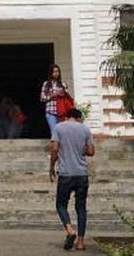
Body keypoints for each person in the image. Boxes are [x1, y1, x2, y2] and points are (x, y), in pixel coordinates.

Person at [49, 108, 94, 251]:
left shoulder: (59, 128)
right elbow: (91, 151)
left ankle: (69, 229)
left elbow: (55, 149)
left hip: (66, 174)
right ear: (79, 118)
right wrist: (80, 149)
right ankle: (80, 242)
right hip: (82, 174)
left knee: (61, 204)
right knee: (81, 207)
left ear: (66, 116)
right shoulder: (85, 129)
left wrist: (51, 167)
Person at [40, 65, 71, 136]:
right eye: (54, 71)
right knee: (54, 131)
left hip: (61, 112)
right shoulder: (46, 84)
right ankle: (55, 146)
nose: (56, 73)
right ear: (50, 73)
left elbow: (67, 99)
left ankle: (60, 146)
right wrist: (52, 95)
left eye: (57, 71)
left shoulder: (63, 84)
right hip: (50, 112)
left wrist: (62, 94)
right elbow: (42, 98)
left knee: (61, 132)